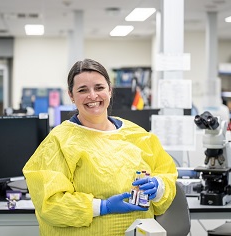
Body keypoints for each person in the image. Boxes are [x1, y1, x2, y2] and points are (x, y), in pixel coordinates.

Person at [23, 58, 178, 236]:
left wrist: (159, 187)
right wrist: (102, 207)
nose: (93, 96)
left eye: (99, 88)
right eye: (83, 90)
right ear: (71, 96)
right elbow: (48, 202)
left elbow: (167, 175)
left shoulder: (138, 135)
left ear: (110, 91)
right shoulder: (58, 141)